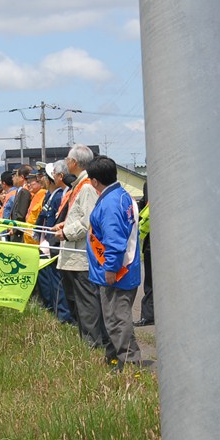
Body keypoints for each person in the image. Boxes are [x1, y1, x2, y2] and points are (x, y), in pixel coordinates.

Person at [86, 155, 142, 370]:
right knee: (113, 319)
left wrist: (110, 268)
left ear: (95, 181)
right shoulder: (121, 196)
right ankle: (113, 361)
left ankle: (130, 366)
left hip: (117, 272)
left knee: (118, 321)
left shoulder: (110, 203)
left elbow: (115, 240)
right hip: (123, 269)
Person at [54, 145, 109, 350]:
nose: (66, 163)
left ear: (74, 163)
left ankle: (93, 346)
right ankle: (90, 343)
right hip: (75, 254)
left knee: (87, 304)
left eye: (68, 160)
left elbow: (88, 222)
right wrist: (64, 225)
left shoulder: (86, 186)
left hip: (81, 256)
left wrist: (67, 232)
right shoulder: (81, 184)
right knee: (79, 302)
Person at [35, 161, 73, 324]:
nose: (41, 179)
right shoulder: (50, 196)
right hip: (45, 245)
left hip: (53, 245)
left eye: (44, 176)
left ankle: (62, 316)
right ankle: (54, 311)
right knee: (49, 283)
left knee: (57, 283)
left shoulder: (59, 196)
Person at [134, 181, 155, 327]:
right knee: (151, 280)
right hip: (151, 241)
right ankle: (149, 314)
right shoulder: (149, 183)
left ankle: (149, 315)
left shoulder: (151, 183)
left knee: (151, 280)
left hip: (153, 240)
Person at [9, 165, 32, 243]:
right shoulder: (20, 190)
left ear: (21, 177)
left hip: (19, 233)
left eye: (16, 176)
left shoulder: (24, 191)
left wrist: (15, 229)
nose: (14, 178)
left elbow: (21, 214)